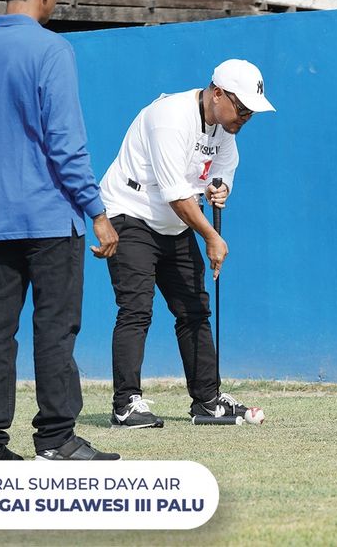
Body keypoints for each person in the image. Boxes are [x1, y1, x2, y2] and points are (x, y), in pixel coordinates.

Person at [0, 0, 120, 463]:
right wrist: (98, 212)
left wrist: (3, 136)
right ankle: (56, 438)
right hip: (50, 216)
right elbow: (66, 146)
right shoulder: (52, 51)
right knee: (55, 326)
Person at [99, 59, 274, 429]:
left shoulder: (225, 128)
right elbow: (176, 194)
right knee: (136, 308)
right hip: (130, 212)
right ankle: (126, 404)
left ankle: (208, 401)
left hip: (174, 223)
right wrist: (211, 235)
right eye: (241, 108)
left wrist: (221, 186)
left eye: (251, 112)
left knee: (194, 309)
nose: (244, 117)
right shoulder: (169, 117)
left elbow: (225, 167)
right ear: (217, 93)